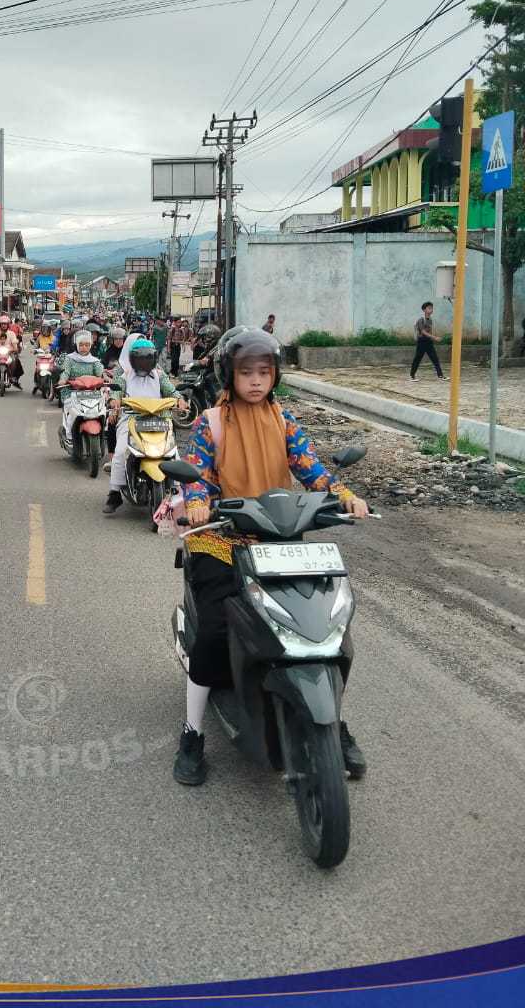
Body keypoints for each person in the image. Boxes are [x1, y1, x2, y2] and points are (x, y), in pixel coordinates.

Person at [173, 327, 369, 785]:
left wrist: (342, 494)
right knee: (217, 629)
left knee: (326, 624)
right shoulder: (211, 423)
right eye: (246, 373)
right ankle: (193, 732)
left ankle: (331, 722)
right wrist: (198, 498)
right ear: (229, 375)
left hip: (277, 537)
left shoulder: (285, 422)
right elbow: (196, 474)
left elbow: (312, 469)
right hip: (221, 537)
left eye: (264, 372)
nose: (256, 381)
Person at [103, 335, 186, 514]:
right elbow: (116, 393)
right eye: (139, 359)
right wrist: (114, 401)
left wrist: (180, 400)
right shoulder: (125, 375)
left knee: (173, 453)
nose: (143, 363)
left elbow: (171, 391)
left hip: (159, 420)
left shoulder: (159, 375)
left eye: (147, 359)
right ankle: (114, 492)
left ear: (153, 358)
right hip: (132, 419)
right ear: (132, 359)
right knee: (119, 452)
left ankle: (179, 491)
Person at [57, 329, 105, 445]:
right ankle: (69, 436)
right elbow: (66, 372)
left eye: (87, 345)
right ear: (77, 345)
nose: (84, 348)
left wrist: (106, 378)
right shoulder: (69, 358)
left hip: (91, 392)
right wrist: (63, 380)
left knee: (102, 409)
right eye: (81, 345)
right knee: (71, 411)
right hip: (72, 391)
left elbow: (100, 373)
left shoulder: (94, 360)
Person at [410, 301, 444, 379]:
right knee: (417, 359)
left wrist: (432, 338)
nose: (431, 310)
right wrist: (434, 337)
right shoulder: (421, 320)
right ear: (424, 310)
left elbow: (429, 330)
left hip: (428, 341)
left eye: (432, 308)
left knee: (435, 359)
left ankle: (440, 375)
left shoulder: (430, 320)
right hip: (421, 341)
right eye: (429, 308)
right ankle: (412, 375)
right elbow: (423, 331)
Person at [0, 312, 24, 387]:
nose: (4, 325)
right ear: (0, 325)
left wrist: (15, 349)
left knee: (14, 360)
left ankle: (11, 376)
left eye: (5, 324)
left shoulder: (11, 334)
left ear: (8, 325)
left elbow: (15, 345)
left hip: (9, 353)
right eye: (2, 324)